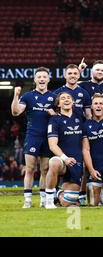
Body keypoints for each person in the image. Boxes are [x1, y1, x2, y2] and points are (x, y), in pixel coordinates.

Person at [11, 67, 56, 208]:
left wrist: (54, 113)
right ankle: (28, 200)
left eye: (44, 77)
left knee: (45, 169)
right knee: (30, 168)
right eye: (39, 77)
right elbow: (16, 112)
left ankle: (43, 200)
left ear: (48, 79)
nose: (42, 79)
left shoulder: (54, 97)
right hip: (33, 136)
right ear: (35, 79)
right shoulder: (28, 96)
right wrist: (16, 95)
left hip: (49, 137)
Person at [45, 92, 84, 209]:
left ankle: (59, 193)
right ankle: (49, 200)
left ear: (73, 102)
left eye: (68, 98)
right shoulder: (54, 120)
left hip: (76, 162)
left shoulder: (80, 118)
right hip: (63, 161)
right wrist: (65, 158)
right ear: (58, 104)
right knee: (54, 162)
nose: (66, 100)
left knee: (68, 203)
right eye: (63, 98)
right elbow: (52, 145)